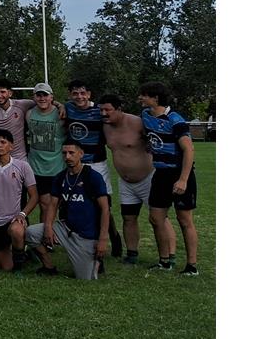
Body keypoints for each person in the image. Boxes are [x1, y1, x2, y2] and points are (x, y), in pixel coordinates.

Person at [139, 82, 200, 276]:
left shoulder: (175, 120)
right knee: (156, 218)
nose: (140, 98)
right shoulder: (146, 117)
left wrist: (183, 179)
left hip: (180, 174)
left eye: (144, 95)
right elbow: (150, 137)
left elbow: (189, 149)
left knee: (184, 220)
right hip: (160, 174)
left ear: (155, 98)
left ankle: (192, 266)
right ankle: (164, 262)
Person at [26, 140, 110, 279]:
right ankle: (48, 266)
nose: (68, 157)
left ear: (81, 154)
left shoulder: (93, 177)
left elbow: (105, 209)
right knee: (30, 233)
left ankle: (97, 261)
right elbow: (53, 205)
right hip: (65, 228)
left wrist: (102, 239)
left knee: (85, 278)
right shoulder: (60, 177)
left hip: (86, 235)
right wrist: (48, 227)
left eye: (72, 153)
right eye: (64, 153)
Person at [64, 81, 123, 257]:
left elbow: (117, 118)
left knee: (103, 205)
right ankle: (77, 239)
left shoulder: (99, 111)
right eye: (75, 93)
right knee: (73, 202)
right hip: (75, 163)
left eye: (83, 93)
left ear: (89, 94)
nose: (79, 97)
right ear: (70, 95)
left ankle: (113, 235)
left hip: (97, 164)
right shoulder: (68, 108)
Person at [100, 95, 155, 264]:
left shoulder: (137, 122)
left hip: (148, 179)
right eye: (101, 110)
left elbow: (158, 140)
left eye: (107, 110)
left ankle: (167, 257)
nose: (103, 113)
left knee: (158, 218)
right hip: (125, 182)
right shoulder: (105, 126)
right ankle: (132, 254)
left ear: (119, 108)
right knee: (129, 218)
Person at [0, 130, 38, 274]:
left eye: (3, 142)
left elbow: (34, 196)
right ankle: (24, 254)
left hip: (14, 219)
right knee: (5, 266)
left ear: (11, 146)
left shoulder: (22, 166)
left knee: (17, 230)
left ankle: (19, 269)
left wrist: (23, 214)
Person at [25, 83, 66, 205]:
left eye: (45, 95)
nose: (42, 98)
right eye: (39, 95)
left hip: (57, 168)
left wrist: (60, 105)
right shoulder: (29, 114)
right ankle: (45, 225)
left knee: (59, 204)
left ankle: (55, 225)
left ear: (51, 97)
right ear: (34, 97)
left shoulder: (61, 114)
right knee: (44, 204)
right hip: (36, 168)